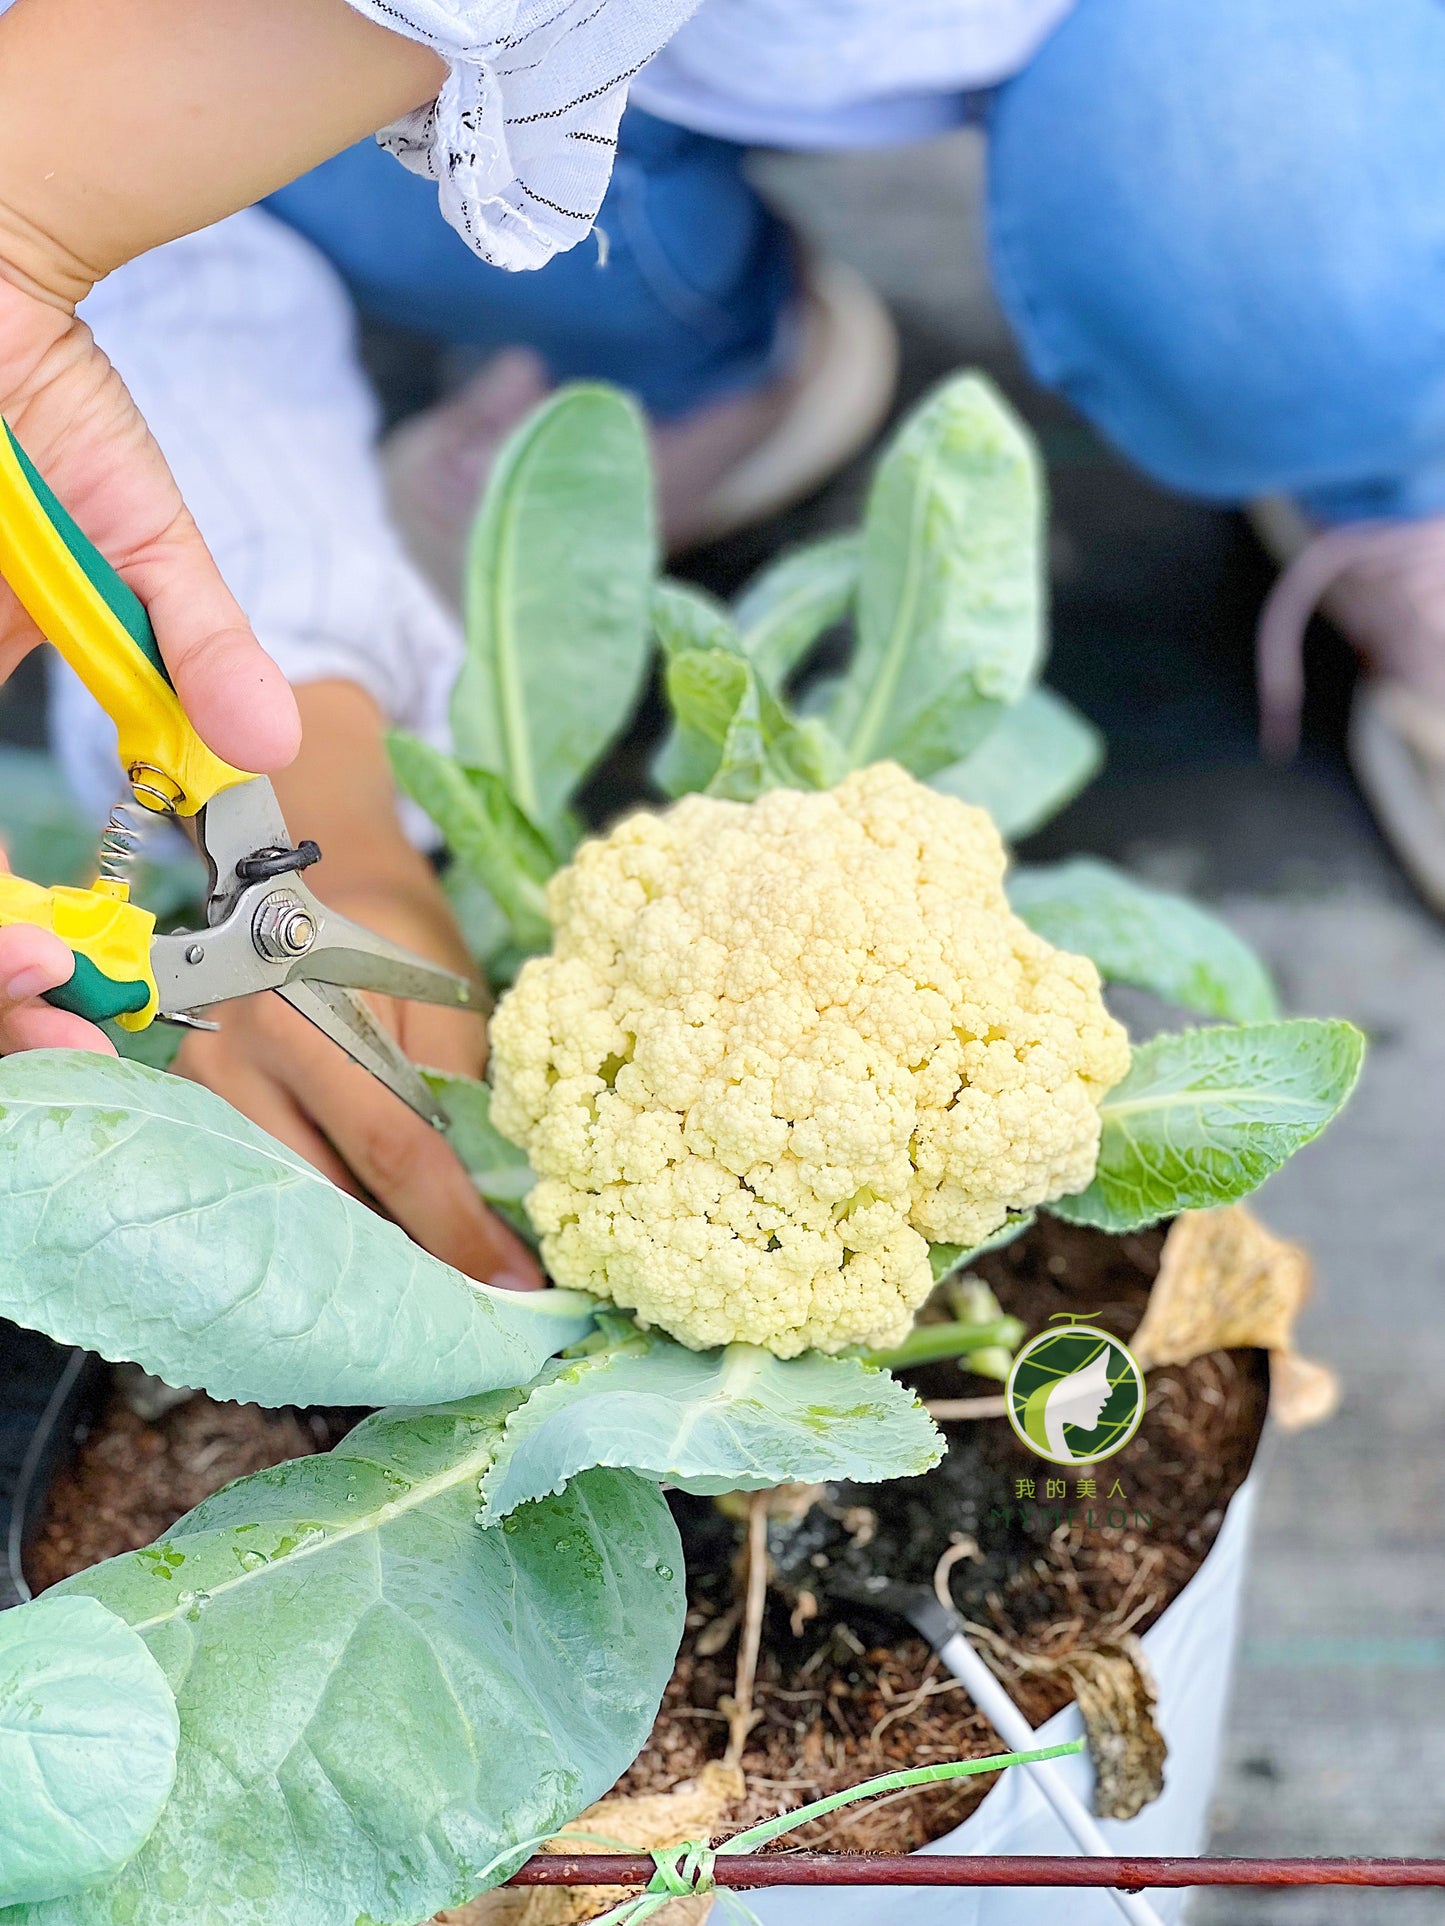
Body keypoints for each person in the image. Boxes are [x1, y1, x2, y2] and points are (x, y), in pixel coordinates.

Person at [1, 0, 1442, 1273]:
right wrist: (320, 829)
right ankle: (703, 363)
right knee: (252, 139)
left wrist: (31, 210)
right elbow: (124, 263)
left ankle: (1398, 465)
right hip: (597, 73)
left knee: (1290, 248)